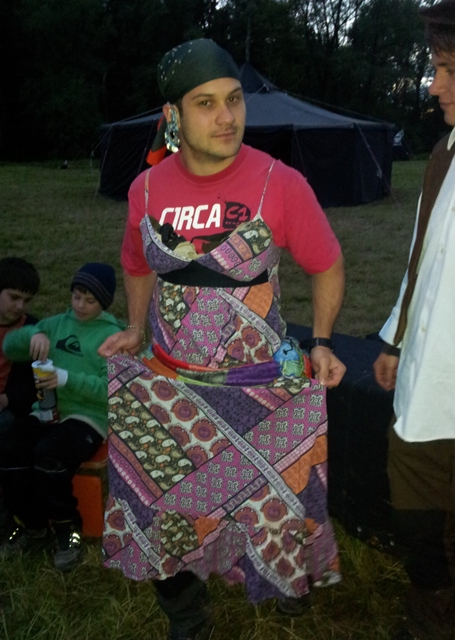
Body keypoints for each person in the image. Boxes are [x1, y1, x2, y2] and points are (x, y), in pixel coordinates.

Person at [98, 39, 346, 640]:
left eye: (234, 100)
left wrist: (321, 339)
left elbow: (327, 263)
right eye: (206, 104)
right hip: (172, 385)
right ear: (173, 115)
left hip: (259, 388)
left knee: (276, 501)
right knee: (158, 499)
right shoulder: (146, 191)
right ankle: (187, 612)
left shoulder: (278, 183)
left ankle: (286, 577)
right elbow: (136, 262)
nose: (227, 116)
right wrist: (134, 327)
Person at [373, 1, 455, 638]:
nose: (434, 85)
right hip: (422, 384)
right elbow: (424, 257)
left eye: (450, 69)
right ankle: (430, 624)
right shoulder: (446, 152)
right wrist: (396, 337)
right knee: (417, 521)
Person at [0, 262, 123, 571]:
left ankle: (68, 531)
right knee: (10, 448)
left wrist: (66, 378)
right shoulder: (55, 324)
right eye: (76, 296)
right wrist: (33, 335)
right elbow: (9, 347)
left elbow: (111, 390)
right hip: (47, 409)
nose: (80, 305)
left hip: (89, 416)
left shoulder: (112, 335)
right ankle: (34, 525)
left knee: (49, 456)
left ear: (104, 302)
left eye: (90, 300)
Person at [0, 257, 40, 432]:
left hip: (9, 408)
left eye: (26, 300)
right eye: (14, 297)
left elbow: (35, 384)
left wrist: (6, 399)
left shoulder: (33, 331)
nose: (19, 306)